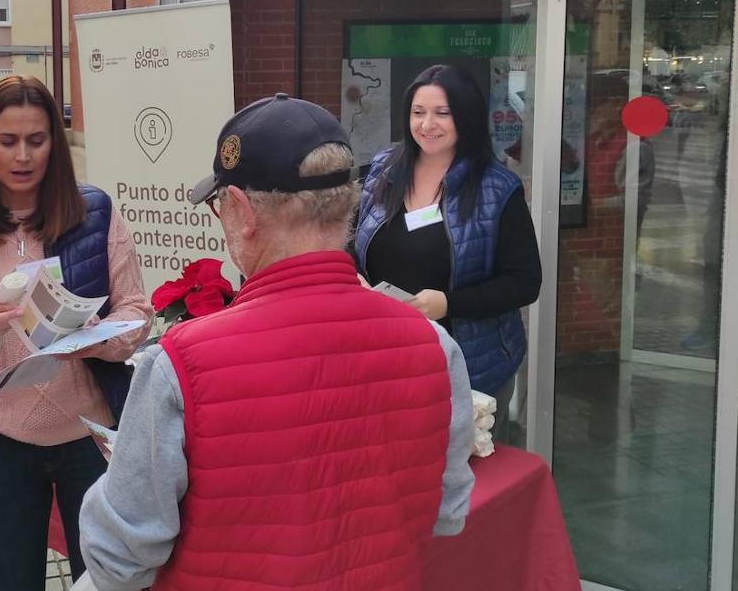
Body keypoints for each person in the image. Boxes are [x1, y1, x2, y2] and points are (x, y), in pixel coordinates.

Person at [79, 93, 475, 591]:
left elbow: (120, 559)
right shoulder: (435, 348)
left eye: (219, 202)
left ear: (242, 210)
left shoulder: (181, 365)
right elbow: (448, 512)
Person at [0, 75, 152, 590]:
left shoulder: (96, 216)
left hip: (93, 441)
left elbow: (137, 310)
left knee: (107, 581)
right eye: (8, 141)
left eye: (37, 141)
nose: (23, 156)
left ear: (55, 145)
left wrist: (93, 338)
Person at [352, 64, 542, 412]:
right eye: (418, 113)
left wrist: (449, 304)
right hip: (388, 355)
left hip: (469, 367)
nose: (427, 125)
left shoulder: (497, 189)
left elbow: (525, 282)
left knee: (466, 464)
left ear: (466, 117)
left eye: (442, 113)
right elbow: (352, 240)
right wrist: (356, 280)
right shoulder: (384, 169)